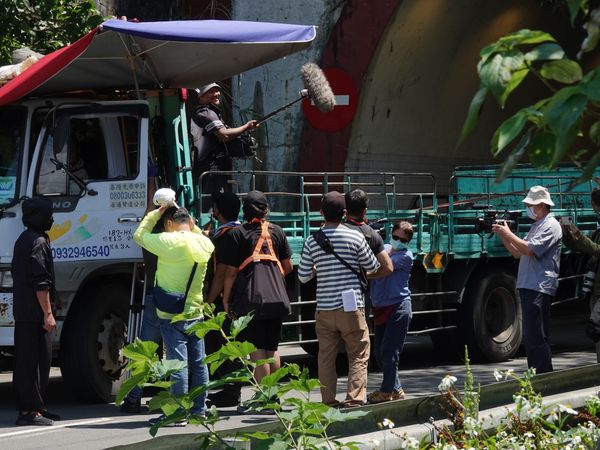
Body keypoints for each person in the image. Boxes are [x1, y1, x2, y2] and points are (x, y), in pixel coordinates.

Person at [133, 204, 214, 425]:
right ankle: (199, 409)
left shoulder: (168, 242)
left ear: (170, 224)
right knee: (199, 363)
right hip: (196, 312)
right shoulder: (206, 244)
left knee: (178, 363)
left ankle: (178, 413)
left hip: (170, 313)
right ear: (191, 223)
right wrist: (194, 227)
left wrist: (155, 213)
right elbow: (198, 234)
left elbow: (139, 235)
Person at [298, 191, 380, 407]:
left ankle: (328, 401)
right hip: (351, 307)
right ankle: (354, 399)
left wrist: (318, 268)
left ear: (321, 213)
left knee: (325, 356)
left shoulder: (312, 240)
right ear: (344, 213)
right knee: (359, 353)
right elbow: (373, 266)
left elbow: (303, 276)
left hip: (324, 308)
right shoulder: (356, 236)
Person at [220, 191, 293, 413]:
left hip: (252, 300)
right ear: (266, 209)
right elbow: (288, 267)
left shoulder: (238, 234)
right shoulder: (277, 232)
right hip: (278, 299)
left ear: (244, 210)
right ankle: (274, 397)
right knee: (272, 349)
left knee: (257, 350)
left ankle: (265, 399)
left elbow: (231, 273)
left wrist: (226, 299)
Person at [492, 185, 562, 374]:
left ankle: (542, 375)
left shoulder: (551, 225)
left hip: (539, 286)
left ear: (541, 205)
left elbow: (530, 249)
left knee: (536, 335)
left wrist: (509, 234)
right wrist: (503, 235)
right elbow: (518, 253)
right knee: (532, 336)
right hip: (529, 284)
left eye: (531, 204)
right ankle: (540, 374)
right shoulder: (537, 225)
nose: (529, 208)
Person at [12, 197, 60, 426]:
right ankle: (28, 411)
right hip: (34, 314)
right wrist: (48, 313)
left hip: (25, 311)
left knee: (37, 361)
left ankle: (37, 406)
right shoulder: (38, 242)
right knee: (31, 363)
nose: (52, 218)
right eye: (49, 214)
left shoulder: (25, 238)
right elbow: (41, 282)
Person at [204, 192, 243, 407]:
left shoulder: (223, 236)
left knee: (225, 343)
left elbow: (222, 272)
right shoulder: (243, 231)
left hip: (224, 297)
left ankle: (230, 392)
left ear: (217, 211)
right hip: (242, 295)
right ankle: (231, 389)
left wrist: (210, 300)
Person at [367, 221, 414, 404]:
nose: (398, 241)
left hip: (398, 307)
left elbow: (380, 267)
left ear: (408, 242)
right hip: (381, 307)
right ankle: (396, 388)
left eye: (403, 239)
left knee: (389, 352)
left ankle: (386, 391)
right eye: (395, 237)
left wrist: (362, 272)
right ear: (391, 234)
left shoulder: (406, 256)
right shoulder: (385, 248)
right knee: (379, 352)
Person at [190, 83, 257, 206]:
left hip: (215, 168)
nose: (217, 94)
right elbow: (224, 135)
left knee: (217, 205)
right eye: (211, 91)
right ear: (201, 96)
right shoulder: (205, 113)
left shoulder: (211, 112)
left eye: (217, 90)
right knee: (209, 208)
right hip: (208, 168)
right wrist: (246, 127)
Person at [561, 187, 600, 361]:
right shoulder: (598, 231)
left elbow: (595, 249)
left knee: (595, 327)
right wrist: (567, 233)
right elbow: (581, 246)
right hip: (596, 291)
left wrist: (578, 235)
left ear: (594, 205)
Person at [344, 189, 393, 279]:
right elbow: (388, 268)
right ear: (365, 211)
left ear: (345, 210)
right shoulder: (373, 235)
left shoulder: (336, 231)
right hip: (360, 291)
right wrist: (365, 276)